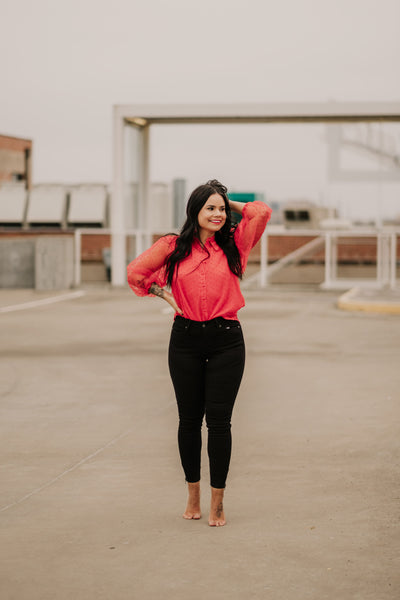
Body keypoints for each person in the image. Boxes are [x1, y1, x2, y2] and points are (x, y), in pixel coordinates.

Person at [127, 179, 272, 526]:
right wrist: (162, 294)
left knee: (219, 423)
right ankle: (192, 495)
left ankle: (218, 502)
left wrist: (228, 199)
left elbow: (261, 211)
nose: (218, 214)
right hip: (186, 339)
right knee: (189, 421)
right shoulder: (173, 246)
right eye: (210, 208)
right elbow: (136, 272)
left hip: (226, 340)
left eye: (221, 209)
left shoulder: (237, 243)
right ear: (195, 210)